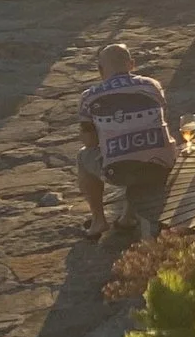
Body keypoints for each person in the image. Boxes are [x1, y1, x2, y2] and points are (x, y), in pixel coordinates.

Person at [75, 44, 181, 241]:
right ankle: (127, 218)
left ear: (100, 70)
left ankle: (98, 221)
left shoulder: (90, 96)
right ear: (132, 64)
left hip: (119, 171)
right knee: (143, 149)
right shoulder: (152, 86)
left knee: (84, 156)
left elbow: (90, 143)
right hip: (161, 166)